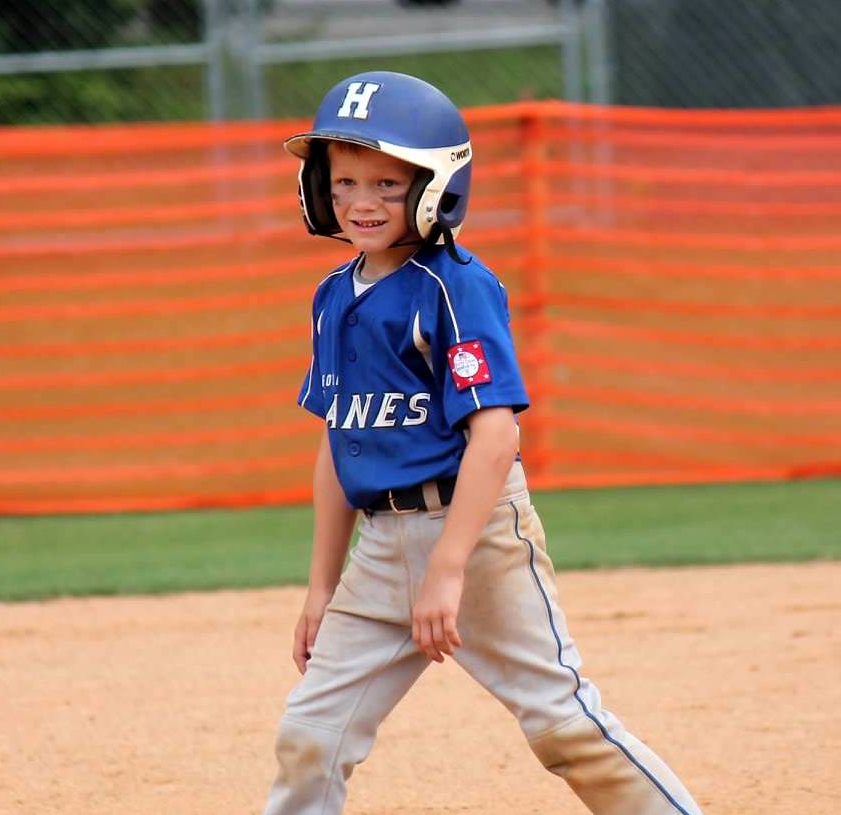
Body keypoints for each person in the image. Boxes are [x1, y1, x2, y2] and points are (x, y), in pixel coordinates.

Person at [263, 71, 704, 815]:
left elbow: (496, 435)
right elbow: (337, 445)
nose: (361, 202)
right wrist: (320, 585)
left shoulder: (454, 286)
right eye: (343, 182)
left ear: (436, 186)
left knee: (563, 726)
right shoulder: (332, 296)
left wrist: (447, 567)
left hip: (476, 539)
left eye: (386, 183)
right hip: (379, 547)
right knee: (310, 733)